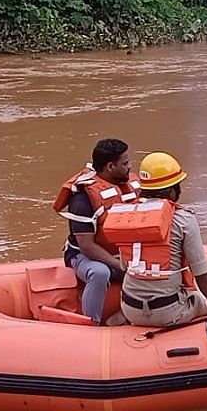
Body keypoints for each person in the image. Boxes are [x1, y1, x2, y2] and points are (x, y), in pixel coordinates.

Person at [107, 152, 207, 328]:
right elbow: (202, 273)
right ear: (172, 191)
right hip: (168, 311)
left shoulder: (127, 215)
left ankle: (120, 319)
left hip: (130, 308)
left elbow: (125, 265)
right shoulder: (184, 219)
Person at [52, 138, 142, 325]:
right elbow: (87, 246)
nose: (130, 167)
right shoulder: (83, 200)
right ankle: (91, 323)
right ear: (110, 166)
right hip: (85, 256)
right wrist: (121, 267)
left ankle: (121, 317)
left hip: (122, 252)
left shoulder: (128, 186)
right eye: (125, 163)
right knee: (100, 273)